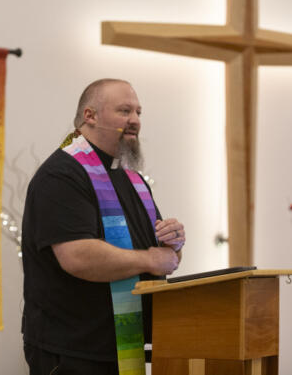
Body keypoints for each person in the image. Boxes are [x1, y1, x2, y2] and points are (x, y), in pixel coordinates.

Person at [21, 78, 186, 375]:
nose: (134, 120)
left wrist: (172, 244)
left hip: (121, 347)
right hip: (72, 349)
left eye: (138, 112)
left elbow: (159, 256)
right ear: (90, 115)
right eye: (124, 111)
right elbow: (78, 256)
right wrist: (151, 257)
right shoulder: (61, 175)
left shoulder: (131, 178)